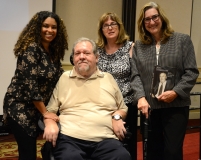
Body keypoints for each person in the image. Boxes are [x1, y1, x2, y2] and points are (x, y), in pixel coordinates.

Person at [130, 2, 199, 160]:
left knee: (172, 152)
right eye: (147, 19)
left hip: (175, 106)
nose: (151, 22)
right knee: (153, 152)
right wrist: (140, 97)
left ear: (162, 18)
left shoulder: (182, 40)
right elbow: (135, 76)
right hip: (151, 108)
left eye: (155, 17)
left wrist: (175, 92)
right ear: (143, 23)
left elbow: (191, 72)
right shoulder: (139, 46)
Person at [43, 37, 132, 160]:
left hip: (105, 139)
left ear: (96, 57)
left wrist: (116, 117)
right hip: (70, 139)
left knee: (122, 157)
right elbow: (50, 111)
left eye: (86, 53)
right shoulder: (64, 78)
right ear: (73, 58)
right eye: (77, 53)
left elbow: (122, 108)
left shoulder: (108, 78)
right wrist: (50, 124)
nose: (82, 56)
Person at [2, 11, 68, 160]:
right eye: (45, 26)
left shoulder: (52, 52)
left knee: (57, 142)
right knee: (28, 153)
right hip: (20, 108)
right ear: (37, 27)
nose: (50, 30)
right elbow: (31, 87)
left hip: (38, 108)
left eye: (54, 27)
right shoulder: (31, 49)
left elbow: (60, 75)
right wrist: (46, 113)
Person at [96, 12, 137, 160]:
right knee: (104, 145)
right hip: (103, 105)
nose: (110, 27)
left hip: (126, 104)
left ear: (119, 27)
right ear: (101, 30)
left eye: (113, 24)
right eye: (106, 25)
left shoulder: (130, 47)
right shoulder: (97, 50)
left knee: (126, 146)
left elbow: (136, 76)